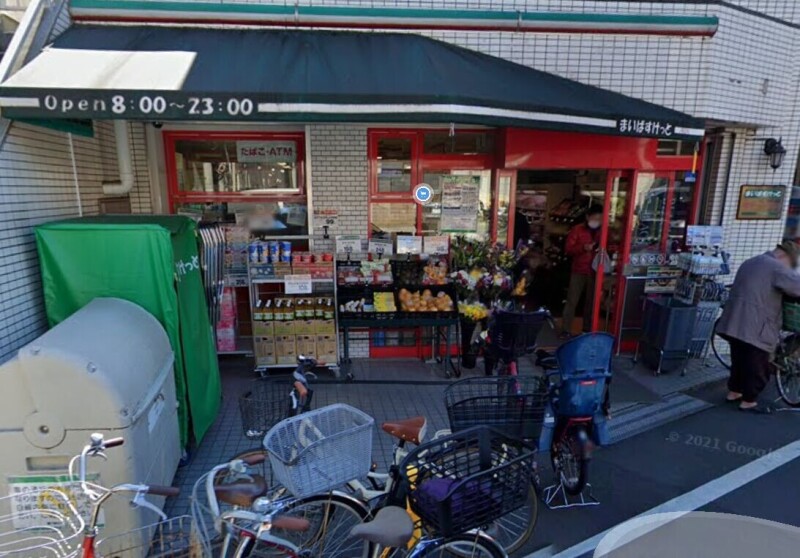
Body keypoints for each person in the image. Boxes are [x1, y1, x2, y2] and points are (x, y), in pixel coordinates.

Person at [717, 241, 800, 413]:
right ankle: (749, 401)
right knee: (757, 365)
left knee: (739, 359)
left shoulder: (752, 261)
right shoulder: (776, 267)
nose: (790, 268)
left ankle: (734, 391)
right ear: (784, 256)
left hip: (734, 321)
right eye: (791, 263)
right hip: (755, 325)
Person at [560, 205, 603, 338]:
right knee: (572, 300)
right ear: (587, 217)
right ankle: (566, 330)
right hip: (579, 269)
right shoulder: (577, 230)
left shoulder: (604, 231)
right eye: (595, 218)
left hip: (595, 270)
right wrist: (583, 248)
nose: (597, 221)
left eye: (600, 219)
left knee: (591, 302)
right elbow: (568, 249)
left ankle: (587, 329)